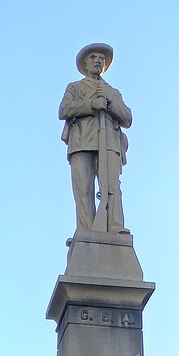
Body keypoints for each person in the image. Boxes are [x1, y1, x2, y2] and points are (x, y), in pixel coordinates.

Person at [59, 43, 132, 234]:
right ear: (85, 63)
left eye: (102, 59)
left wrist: (110, 102)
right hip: (82, 141)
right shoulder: (75, 87)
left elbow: (127, 118)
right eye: (93, 57)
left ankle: (115, 226)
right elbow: (64, 110)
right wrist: (91, 104)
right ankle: (85, 230)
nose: (98, 61)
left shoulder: (112, 91)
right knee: (83, 190)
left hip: (109, 142)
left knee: (112, 187)